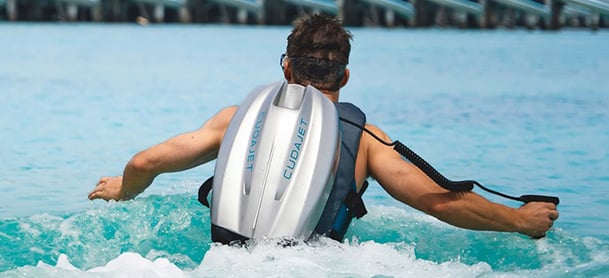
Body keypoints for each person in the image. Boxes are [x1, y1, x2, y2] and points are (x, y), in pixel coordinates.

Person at [89, 13, 558, 239]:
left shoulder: (236, 120)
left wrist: (122, 190)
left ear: (286, 69)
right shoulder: (366, 140)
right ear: (346, 77)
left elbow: (144, 162)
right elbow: (439, 201)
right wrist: (520, 220)